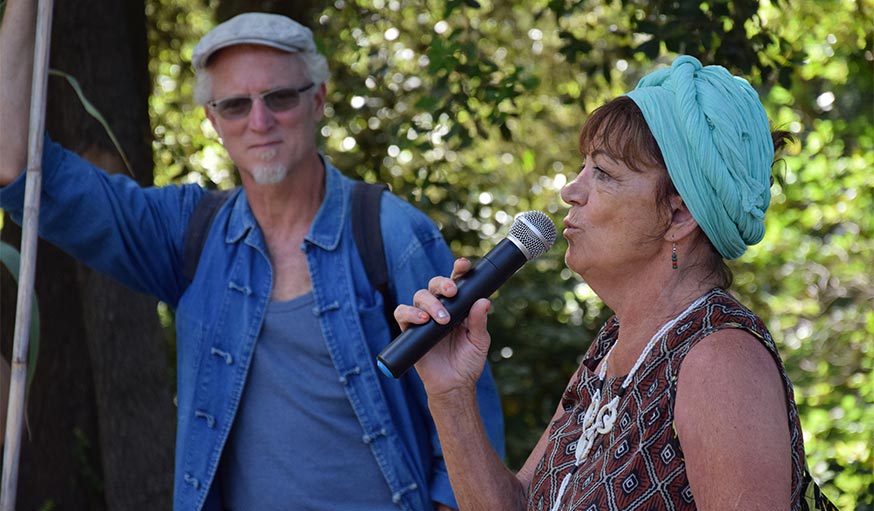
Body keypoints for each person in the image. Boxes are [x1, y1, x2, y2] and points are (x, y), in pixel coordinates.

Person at [0, 7, 504, 511]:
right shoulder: (189, 235)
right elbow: (11, 162)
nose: (259, 122)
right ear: (213, 121)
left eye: (280, 97)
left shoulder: (391, 233)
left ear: (318, 100)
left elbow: (467, 427)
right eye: (236, 105)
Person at [396, 55, 835, 510]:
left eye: (603, 173)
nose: (571, 190)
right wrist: (450, 392)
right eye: (583, 167)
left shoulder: (720, 361)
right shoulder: (615, 343)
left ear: (679, 214)